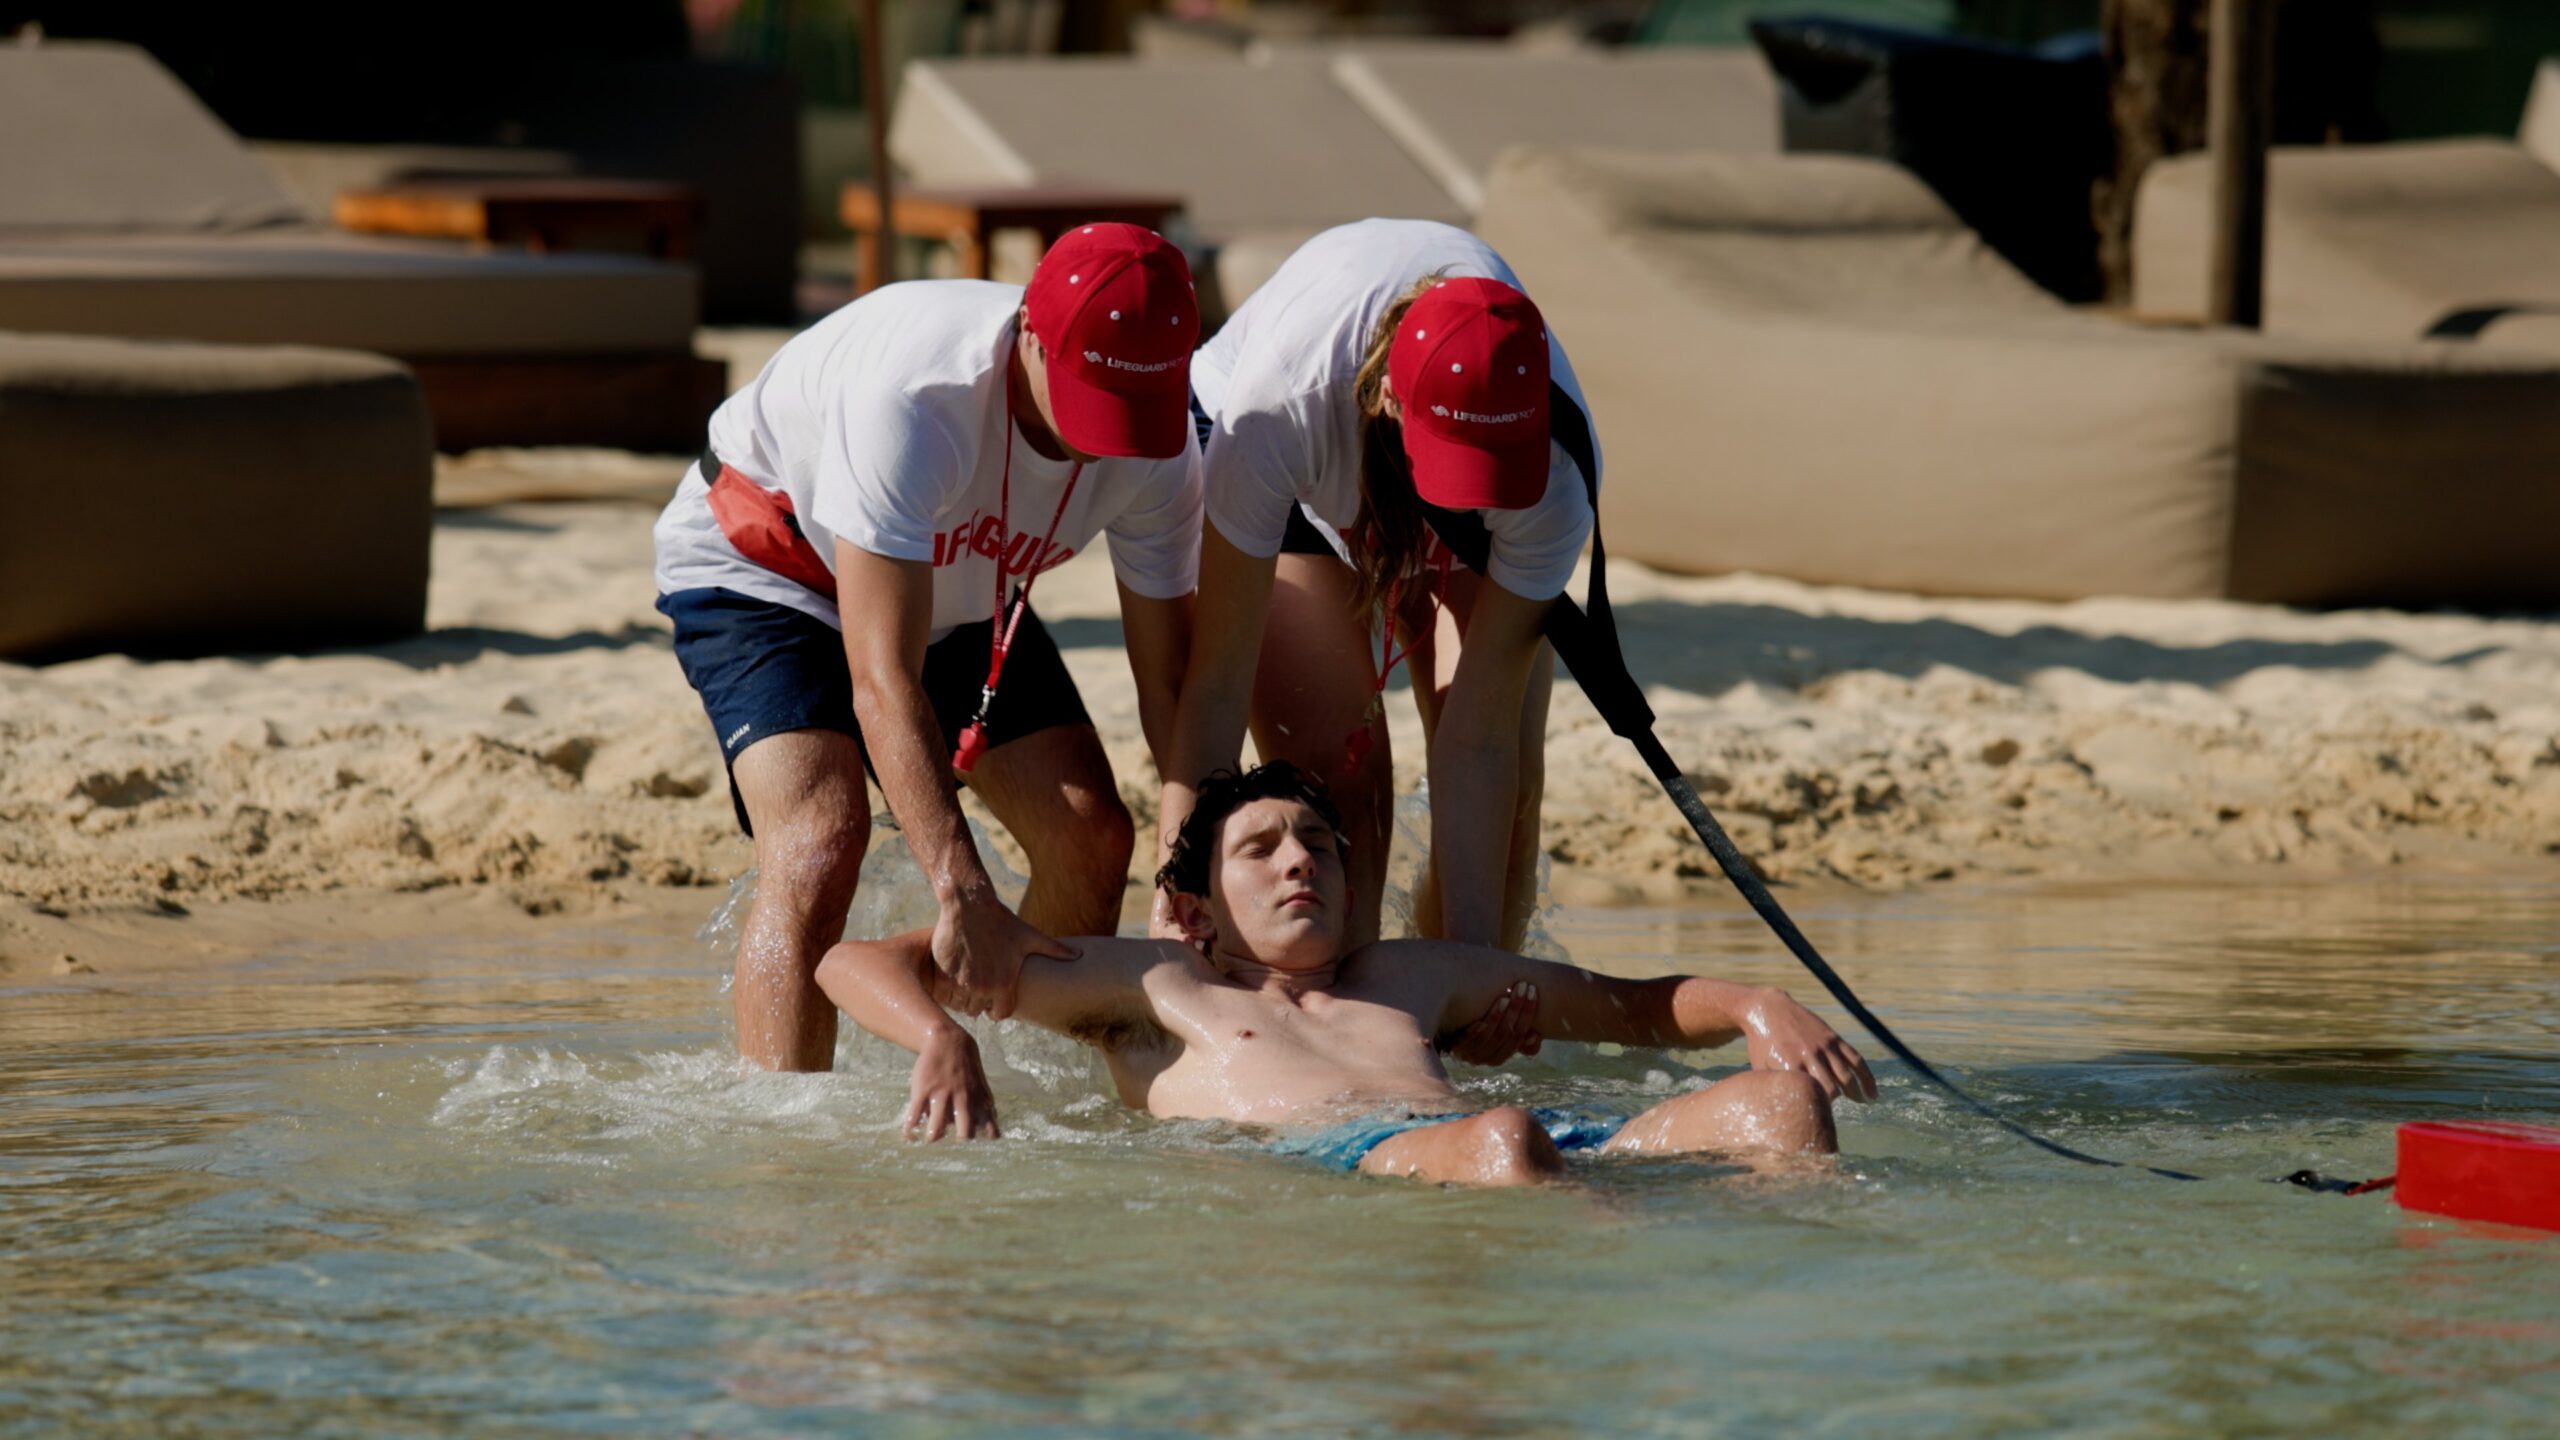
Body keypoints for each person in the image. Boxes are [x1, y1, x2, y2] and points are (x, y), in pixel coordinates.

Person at [653, 224, 1202, 1071]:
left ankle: (1025, 1090)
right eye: (1093, 401)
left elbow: (1171, 682)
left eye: (1134, 410)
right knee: (820, 843)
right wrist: (961, 885)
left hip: (953, 581)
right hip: (769, 564)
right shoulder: (914, 397)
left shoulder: (1164, 449)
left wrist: (1189, 867)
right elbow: (882, 677)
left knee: (1091, 837)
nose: (1105, 444)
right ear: (1029, 333)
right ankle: (783, 1127)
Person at [819, 763, 1876, 1186]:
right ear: (1198, 907)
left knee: (1781, 1104)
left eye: (1318, 845)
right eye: (1262, 848)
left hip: (1539, 1147)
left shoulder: (1410, 974)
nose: (1299, 862)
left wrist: (1756, 1002)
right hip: (1350, 1159)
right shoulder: (1157, 984)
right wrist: (943, 1038)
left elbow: (1628, 1006)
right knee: (1506, 1135)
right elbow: (854, 961)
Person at [1162, 219, 1605, 956]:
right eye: (1459, 466)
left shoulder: (1560, 473)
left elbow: (1479, 740)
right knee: (1341, 797)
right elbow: (1217, 688)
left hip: (1448, 469)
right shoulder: (1275, 409)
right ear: (1390, 398)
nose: (1463, 503)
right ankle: (1330, 996)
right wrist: (1168, 905)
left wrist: (1468, 981)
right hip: (1296, 463)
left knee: (1511, 807)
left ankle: (1448, 994)